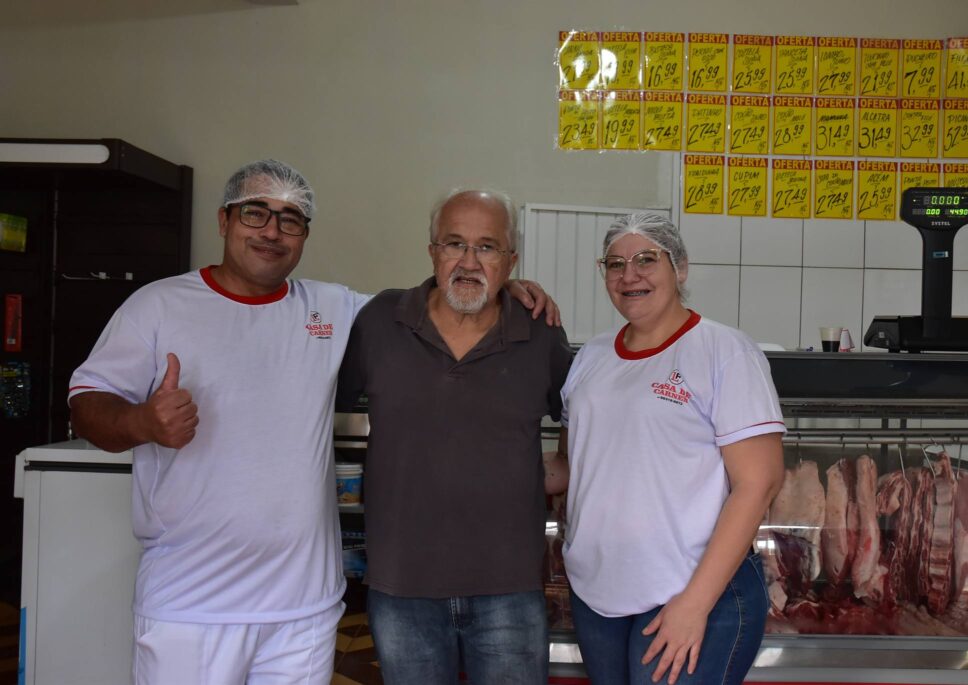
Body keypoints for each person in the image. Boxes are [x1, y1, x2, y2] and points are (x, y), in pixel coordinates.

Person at [67, 161, 557, 685]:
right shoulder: (158, 305)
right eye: (256, 213)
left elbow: (454, 302)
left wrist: (507, 287)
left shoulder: (334, 310)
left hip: (303, 609)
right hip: (192, 601)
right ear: (224, 220)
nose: (272, 231)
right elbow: (86, 404)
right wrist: (141, 421)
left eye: (291, 219)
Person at [336, 188, 574, 684]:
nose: (468, 261)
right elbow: (317, 401)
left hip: (509, 588)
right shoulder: (380, 321)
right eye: (453, 244)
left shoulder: (540, 331)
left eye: (487, 247)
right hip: (402, 588)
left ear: (511, 261)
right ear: (432, 253)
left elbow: (580, 413)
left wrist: (561, 471)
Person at [554, 212, 785, 685]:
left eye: (646, 259)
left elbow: (757, 484)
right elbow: (568, 466)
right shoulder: (591, 358)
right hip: (597, 595)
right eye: (615, 264)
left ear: (679, 267)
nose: (629, 275)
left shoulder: (725, 351)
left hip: (690, 593)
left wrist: (694, 605)